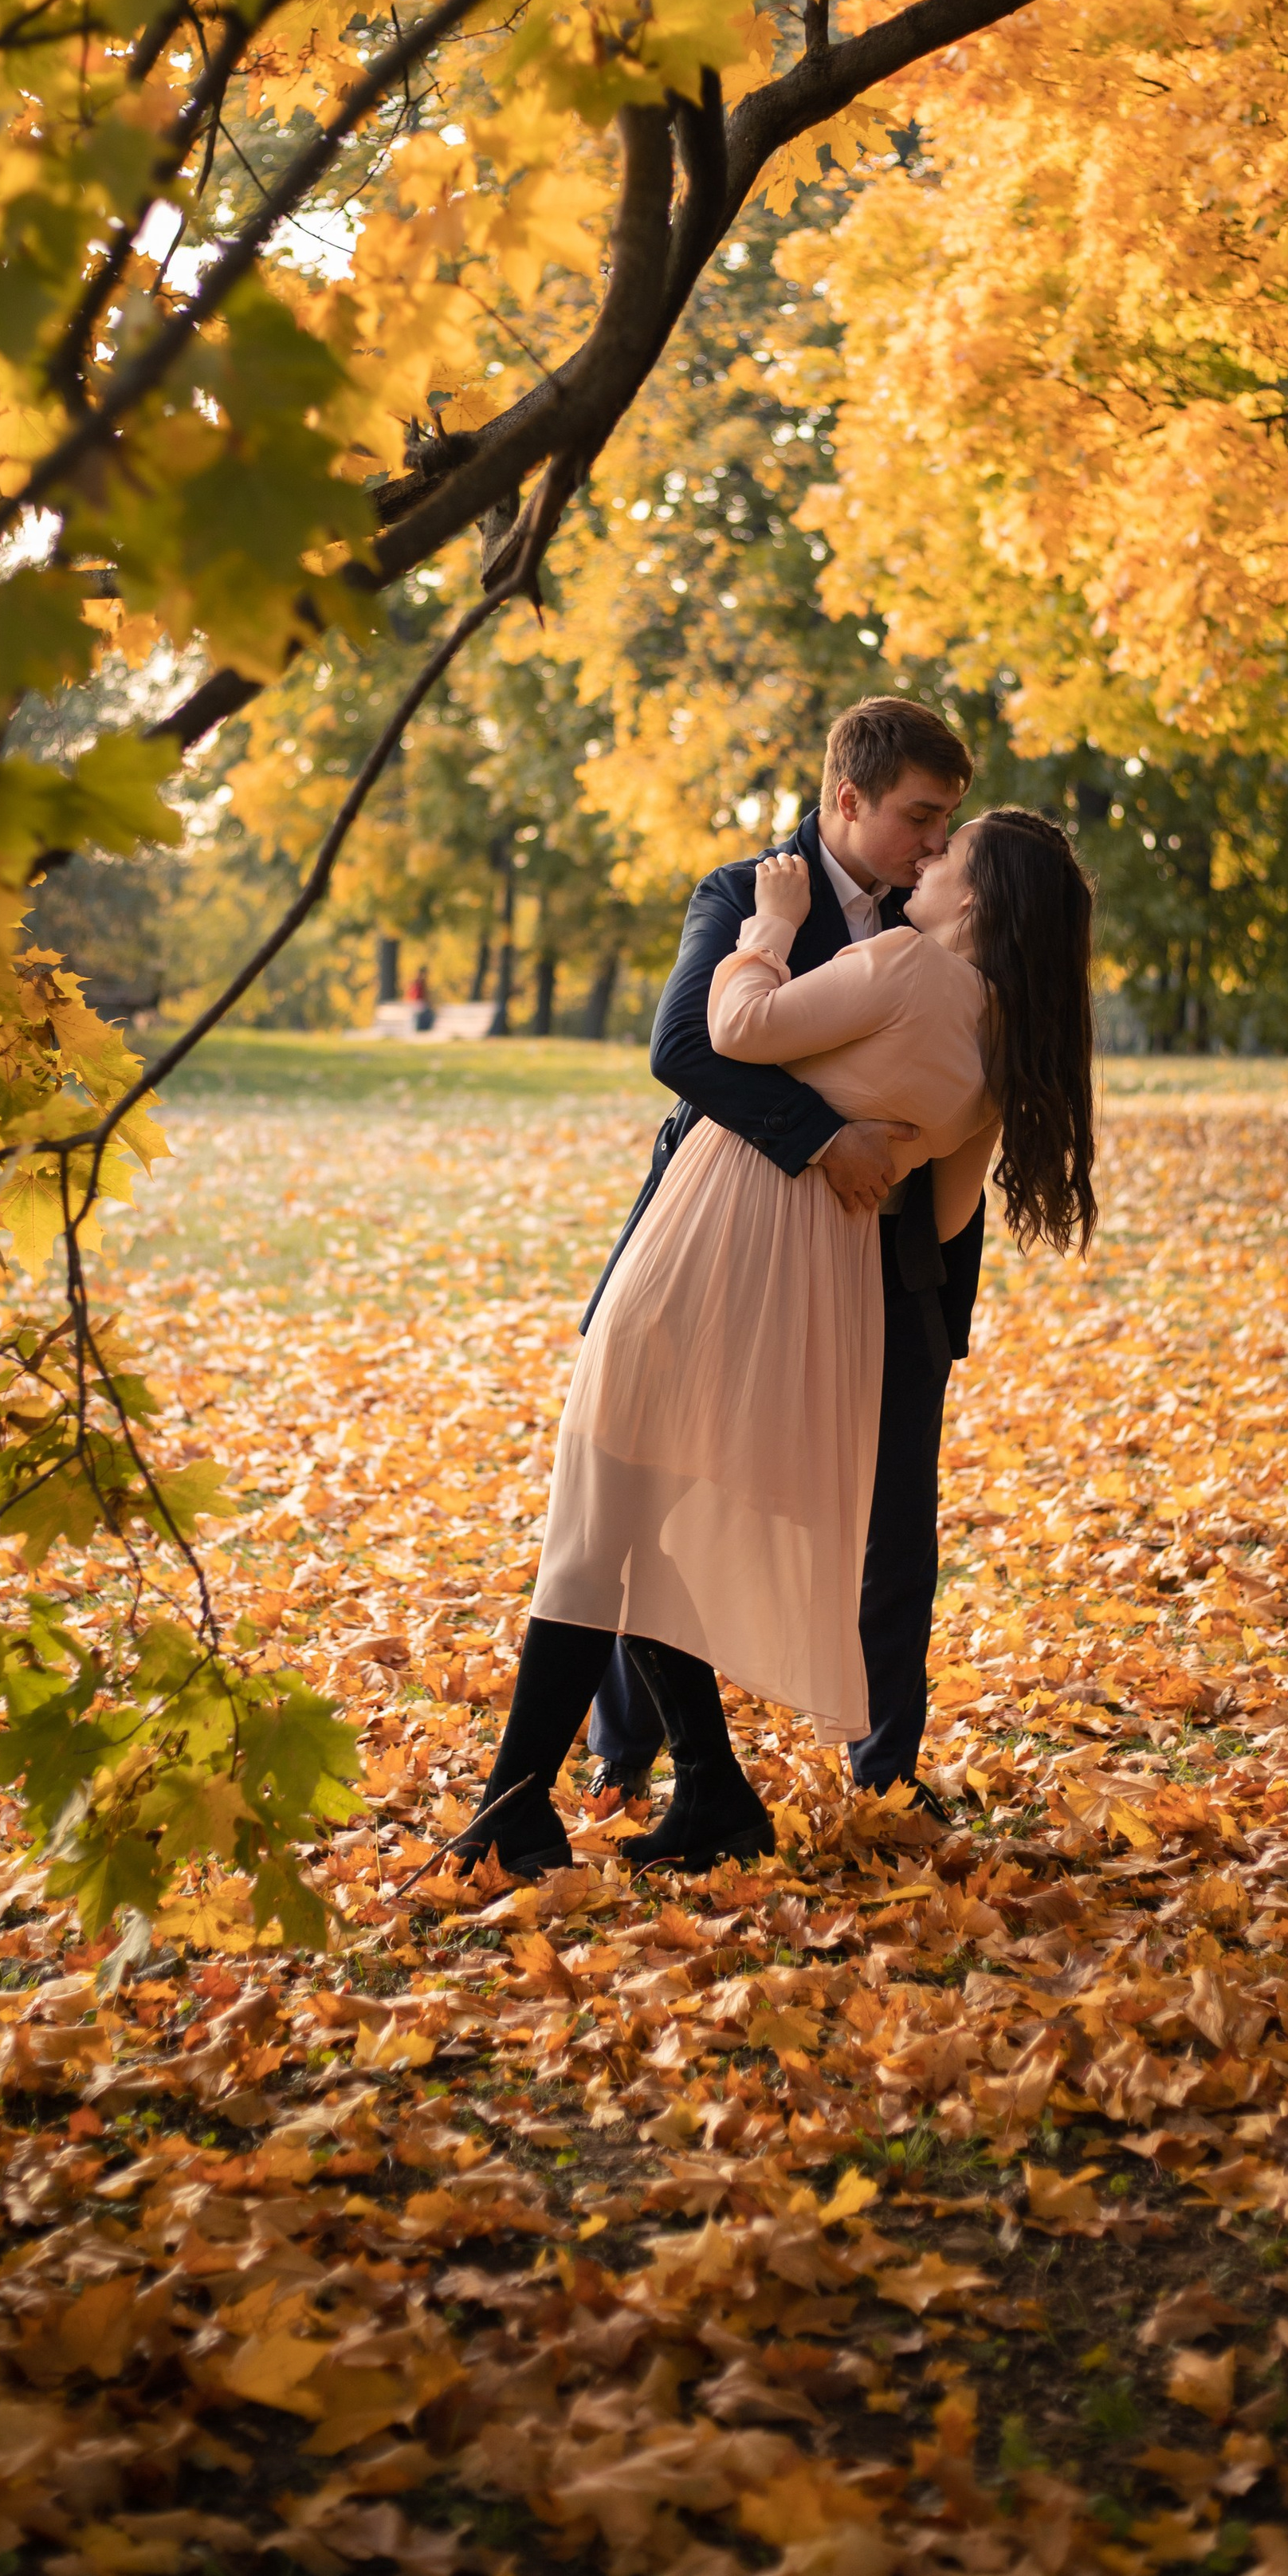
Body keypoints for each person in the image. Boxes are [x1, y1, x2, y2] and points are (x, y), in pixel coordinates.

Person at [451, 791, 1098, 1879]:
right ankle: (702, 1788)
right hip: (823, 1283)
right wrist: (874, 1136)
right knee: (633, 1516)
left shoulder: (902, 962)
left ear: (976, 898)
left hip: (717, 1239)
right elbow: (940, 1216)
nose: (929, 861)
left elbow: (732, 1028)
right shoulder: (997, 1053)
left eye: (953, 853)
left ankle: (525, 1807)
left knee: (602, 1501)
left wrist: (768, 932)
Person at [593, 698, 976, 1807]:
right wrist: (824, 1142)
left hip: (896, 1257)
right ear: (847, 799)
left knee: (897, 1518)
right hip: (739, 1251)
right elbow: (682, 1048)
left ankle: (886, 1776)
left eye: (950, 820)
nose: (938, 845)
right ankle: (627, 1757)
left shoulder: (945, 912)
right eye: (919, 816)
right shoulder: (746, 893)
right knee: (664, 1494)